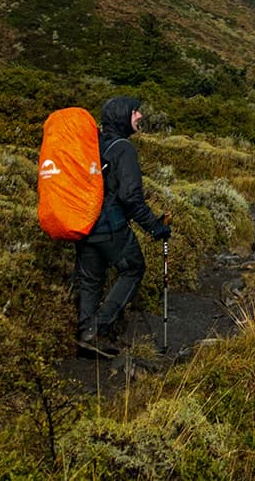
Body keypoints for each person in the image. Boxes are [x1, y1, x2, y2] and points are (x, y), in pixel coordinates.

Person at [74, 95, 171, 358]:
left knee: (92, 279)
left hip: (84, 224)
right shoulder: (123, 149)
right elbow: (130, 198)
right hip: (110, 226)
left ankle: (86, 334)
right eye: (134, 112)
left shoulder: (94, 145)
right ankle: (98, 328)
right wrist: (155, 227)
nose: (139, 116)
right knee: (133, 268)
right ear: (122, 116)